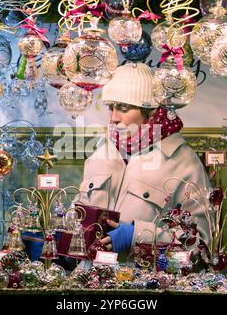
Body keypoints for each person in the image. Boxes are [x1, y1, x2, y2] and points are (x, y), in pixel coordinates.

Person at [77, 63, 212, 259]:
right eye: (111, 107)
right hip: (89, 282)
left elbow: (201, 247)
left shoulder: (183, 163)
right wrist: (59, 239)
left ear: (151, 112)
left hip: (145, 285)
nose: (114, 117)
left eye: (123, 107)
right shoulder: (100, 154)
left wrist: (137, 238)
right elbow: (79, 217)